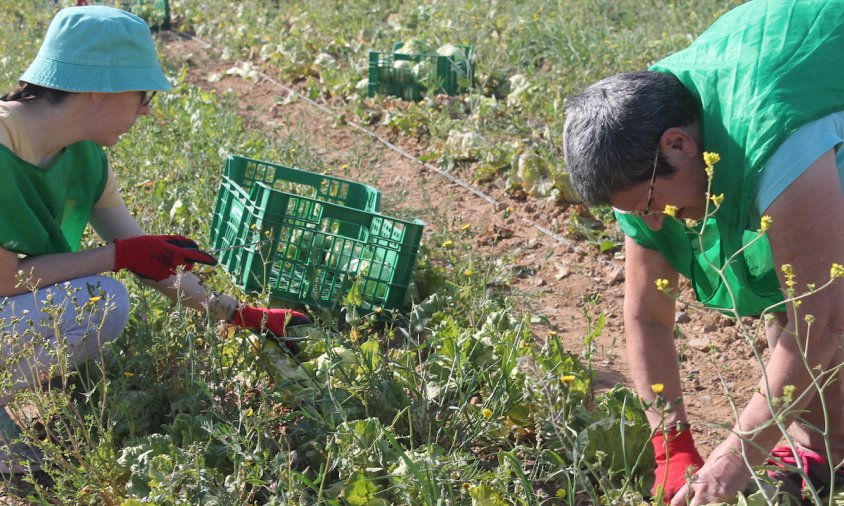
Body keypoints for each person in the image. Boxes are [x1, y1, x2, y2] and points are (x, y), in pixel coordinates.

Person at [0, 6, 308, 474]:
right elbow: (6, 279)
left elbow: (148, 259)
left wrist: (238, 314)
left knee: (103, 304)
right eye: (143, 93)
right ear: (100, 89)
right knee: (100, 293)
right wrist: (118, 256)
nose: (146, 108)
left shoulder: (86, 158)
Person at [563, 0, 844, 504]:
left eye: (649, 205)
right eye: (632, 213)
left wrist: (732, 462)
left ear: (679, 145)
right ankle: (824, 451)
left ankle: (823, 448)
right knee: (788, 288)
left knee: (820, 302)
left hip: (804, 88)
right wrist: (673, 447)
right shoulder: (639, 149)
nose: (649, 223)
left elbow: (820, 321)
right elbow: (647, 316)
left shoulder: (771, 140)